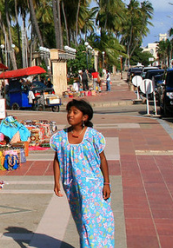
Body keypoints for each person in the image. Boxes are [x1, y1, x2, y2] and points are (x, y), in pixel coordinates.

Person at [51, 100, 114, 247]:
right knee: (80, 220)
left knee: (96, 219)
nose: (70, 115)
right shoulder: (60, 137)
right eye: (69, 112)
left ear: (84, 117)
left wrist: (106, 183)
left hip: (93, 186)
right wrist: (56, 182)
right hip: (72, 186)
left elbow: (102, 160)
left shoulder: (93, 136)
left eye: (74, 112)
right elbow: (57, 160)